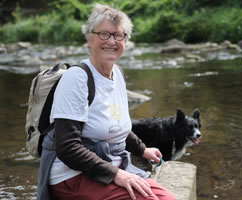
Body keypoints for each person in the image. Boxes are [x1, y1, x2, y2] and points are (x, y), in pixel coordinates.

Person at [36, 3, 175, 200]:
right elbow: (67, 148)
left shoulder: (117, 74)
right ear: (88, 39)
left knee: (166, 197)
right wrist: (116, 174)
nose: (111, 41)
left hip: (108, 165)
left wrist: (142, 150)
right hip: (72, 177)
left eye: (119, 35)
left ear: (125, 41)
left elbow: (116, 126)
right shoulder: (77, 78)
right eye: (104, 34)